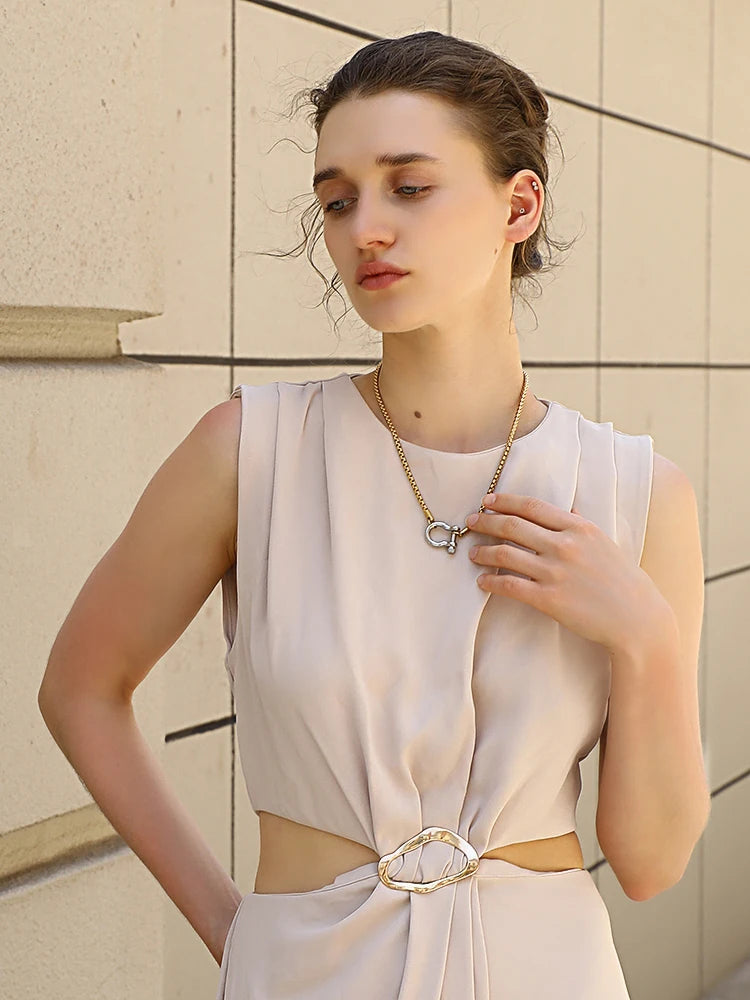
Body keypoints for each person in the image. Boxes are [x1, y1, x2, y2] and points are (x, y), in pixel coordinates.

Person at [38, 29, 710, 1000]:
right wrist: (235, 927)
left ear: (518, 205)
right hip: (308, 973)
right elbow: (81, 687)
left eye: (410, 185)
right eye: (337, 199)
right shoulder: (249, 453)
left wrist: (643, 635)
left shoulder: (636, 492)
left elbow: (650, 866)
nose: (364, 230)